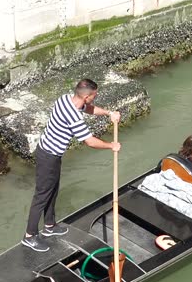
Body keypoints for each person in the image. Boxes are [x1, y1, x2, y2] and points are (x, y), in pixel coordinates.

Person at [22, 79, 121, 252]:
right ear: (87, 96)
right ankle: (29, 236)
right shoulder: (73, 116)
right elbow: (89, 141)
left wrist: (109, 113)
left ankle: (50, 226)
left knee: (52, 190)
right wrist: (111, 145)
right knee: (42, 195)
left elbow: (89, 109)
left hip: (51, 153)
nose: (94, 98)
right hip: (48, 156)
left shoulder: (66, 99)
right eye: (94, 95)